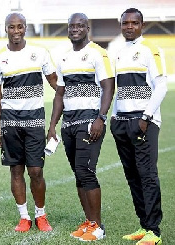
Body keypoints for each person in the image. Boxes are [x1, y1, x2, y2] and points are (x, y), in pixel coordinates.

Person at [47, 13, 115, 241]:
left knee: (86, 171)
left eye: (79, 26)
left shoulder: (98, 53)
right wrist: (53, 125)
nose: (75, 29)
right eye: (71, 26)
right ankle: (89, 222)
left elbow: (108, 87)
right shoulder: (64, 58)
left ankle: (98, 227)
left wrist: (101, 118)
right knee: (78, 174)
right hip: (69, 123)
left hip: (89, 121)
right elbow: (60, 94)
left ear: (87, 28)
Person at [0, 12, 57, 232]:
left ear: (26, 28)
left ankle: (41, 215)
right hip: (10, 122)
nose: (16, 31)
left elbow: (56, 83)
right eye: (11, 27)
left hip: (35, 120)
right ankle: (24, 217)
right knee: (16, 171)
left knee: (36, 171)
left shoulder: (40, 53)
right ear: (6, 29)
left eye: (20, 27)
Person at [110, 8, 167, 245]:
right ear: (121, 25)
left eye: (134, 23)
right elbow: (118, 90)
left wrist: (145, 117)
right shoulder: (119, 52)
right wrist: (113, 117)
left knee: (147, 175)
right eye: (125, 23)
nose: (129, 27)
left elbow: (161, 86)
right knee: (132, 176)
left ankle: (154, 230)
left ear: (142, 25)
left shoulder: (150, 50)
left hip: (143, 121)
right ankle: (144, 226)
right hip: (122, 122)